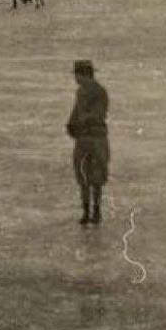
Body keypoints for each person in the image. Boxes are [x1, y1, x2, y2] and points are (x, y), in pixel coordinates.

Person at [66, 60, 110, 225]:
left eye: (77, 75)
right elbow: (76, 110)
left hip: (96, 137)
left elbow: (98, 114)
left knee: (96, 176)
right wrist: (71, 123)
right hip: (84, 138)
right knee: (83, 176)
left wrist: (81, 121)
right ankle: (86, 212)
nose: (76, 79)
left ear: (85, 75)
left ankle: (96, 211)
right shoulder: (80, 92)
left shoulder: (100, 92)